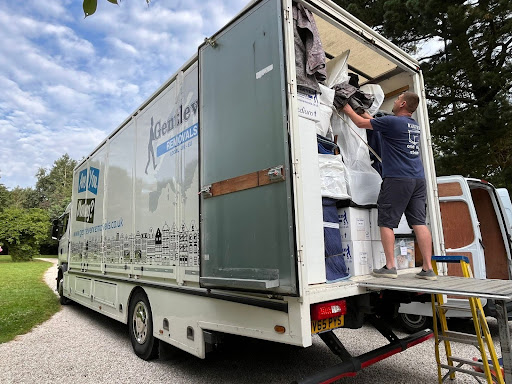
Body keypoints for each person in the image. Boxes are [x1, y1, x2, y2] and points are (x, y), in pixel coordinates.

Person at [342, 91, 436, 280]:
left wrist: (346, 108)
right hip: (418, 179)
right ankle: (428, 268)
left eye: (398, 98)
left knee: (386, 221)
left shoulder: (393, 122)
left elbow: (361, 124)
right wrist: (362, 111)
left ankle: (390, 267)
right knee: (419, 222)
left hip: (397, 178)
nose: (395, 101)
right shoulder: (413, 125)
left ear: (402, 104)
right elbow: (374, 124)